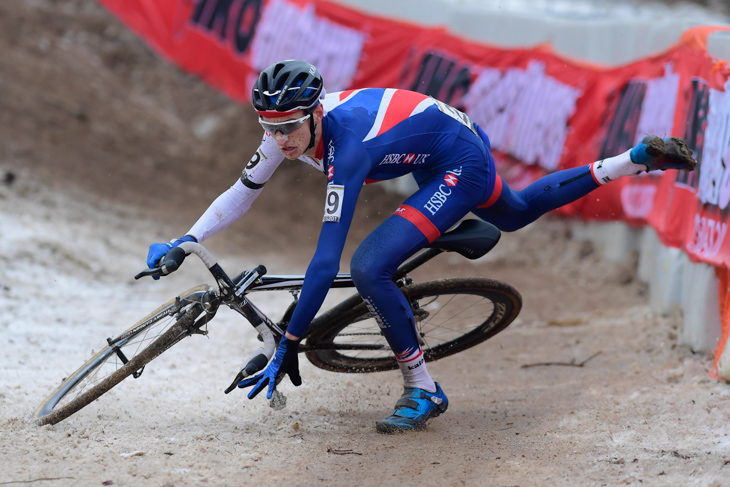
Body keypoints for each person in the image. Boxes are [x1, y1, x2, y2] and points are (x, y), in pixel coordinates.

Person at [146, 59, 696, 434]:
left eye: (289, 126)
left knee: (369, 266)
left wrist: (289, 340)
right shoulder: (285, 131)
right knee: (518, 210)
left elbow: (323, 261)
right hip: (438, 141)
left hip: (457, 158)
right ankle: (636, 159)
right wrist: (187, 239)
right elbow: (241, 193)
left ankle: (422, 388)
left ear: (316, 113)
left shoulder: (350, 149)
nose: (280, 139)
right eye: (269, 127)